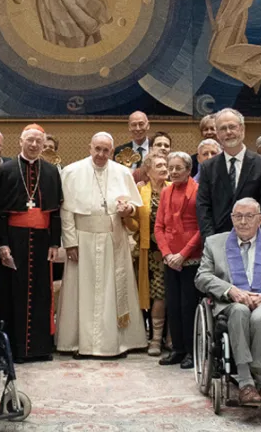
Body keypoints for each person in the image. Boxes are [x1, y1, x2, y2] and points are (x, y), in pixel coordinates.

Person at [195, 198, 261, 409]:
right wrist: (230, 290)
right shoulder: (215, 243)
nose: (243, 222)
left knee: (260, 317)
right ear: (232, 218)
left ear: (260, 219)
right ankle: (246, 383)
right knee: (240, 311)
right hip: (231, 303)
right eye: (238, 216)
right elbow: (202, 277)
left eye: (249, 216)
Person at [56, 132, 147, 357]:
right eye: (97, 149)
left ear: (112, 152)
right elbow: (66, 212)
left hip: (113, 239)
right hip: (82, 239)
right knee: (81, 290)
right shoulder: (71, 171)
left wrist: (129, 210)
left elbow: (136, 207)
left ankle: (116, 343)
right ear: (90, 147)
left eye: (106, 150)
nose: (101, 154)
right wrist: (70, 243)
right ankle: (79, 343)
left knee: (112, 290)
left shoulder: (123, 172)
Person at [0, 127, 62, 362]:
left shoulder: (52, 171)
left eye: (39, 141)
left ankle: (40, 348)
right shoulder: (6, 169)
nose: (34, 145)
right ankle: (14, 348)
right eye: (30, 140)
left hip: (43, 240)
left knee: (42, 293)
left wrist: (55, 243)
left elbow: (55, 213)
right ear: (21, 140)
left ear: (44, 144)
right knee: (14, 292)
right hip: (15, 239)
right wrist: (2, 244)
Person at [154, 152, 202, 368]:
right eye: (170, 168)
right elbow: (159, 226)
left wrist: (183, 254)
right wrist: (166, 254)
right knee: (172, 306)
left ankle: (192, 352)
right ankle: (178, 349)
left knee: (188, 306)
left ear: (189, 170)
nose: (173, 172)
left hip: (191, 258)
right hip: (170, 259)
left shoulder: (199, 191)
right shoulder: (166, 191)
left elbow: (201, 228)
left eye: (178, 168)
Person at [196, 108, 261, 239]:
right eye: (223, 128)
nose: (228, 132)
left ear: (242, 128)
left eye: (232, 127)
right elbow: (203, 207)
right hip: (218, 239)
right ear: (218, 134)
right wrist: (211, 240)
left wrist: (256, 235)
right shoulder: (207, 167)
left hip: (255, 239)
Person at [123, 152, 170, 356]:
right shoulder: (140, 190)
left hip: (169, 251)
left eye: (165, 164)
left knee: (164, 295)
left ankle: (162, 338)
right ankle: (150, 337)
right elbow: (134, 224)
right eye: (158, 165)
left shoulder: (173, 188)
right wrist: (126, 216)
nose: (163, 167)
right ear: (148, 171)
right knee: (148, 296)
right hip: (146, 252)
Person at [36, 0, 110, 48]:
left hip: (64, 56)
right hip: (86, 54)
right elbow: (95, 27)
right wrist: (72, 6)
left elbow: (50, 41)